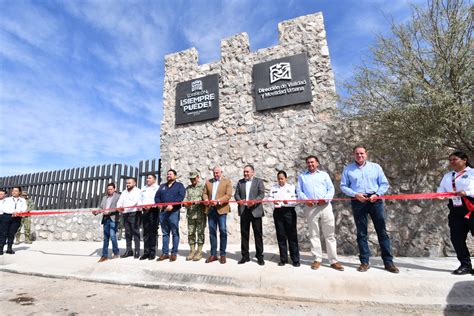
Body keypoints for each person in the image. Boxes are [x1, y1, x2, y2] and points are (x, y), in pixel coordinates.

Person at [340, 145, 399, 273]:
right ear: (353, 155)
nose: (359, 156)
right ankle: (364, 262)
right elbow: (344, 186)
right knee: (361, 233)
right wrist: (355, 194)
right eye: (357, 154)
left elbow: (384, 184)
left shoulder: (376, 167)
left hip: (375, 201)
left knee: (382, 232)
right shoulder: (348, 169)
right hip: (358, 201)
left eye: (362, 153)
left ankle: (388, 263)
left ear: (366, 154)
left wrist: (377, 195)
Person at [297, 156, 343, 271]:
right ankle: (317, 259)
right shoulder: (302, 176)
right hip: (311, 208)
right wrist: (306, 200)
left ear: (317, 163)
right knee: (314, 234)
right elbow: (299, 191)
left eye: (312, 162)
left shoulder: (324, 175)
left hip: (325, 207)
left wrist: (326, 199)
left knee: (330, 235)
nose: (310, 164)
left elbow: (331, 189)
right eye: (308, 162)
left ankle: (333, 260)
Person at [437, 151, 474, 275]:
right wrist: (440, 194)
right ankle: (465, 265)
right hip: (456, 209)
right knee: (456, 237)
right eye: (450, 160)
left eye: (455, 159)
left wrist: (467, 193)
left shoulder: (472, 173)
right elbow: (441, 188)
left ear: (464, 160)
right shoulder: (448, 176)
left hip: (471, 207)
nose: (452, 162)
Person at [235, 164, 265, 265]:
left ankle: (260, 256)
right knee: (244, 234)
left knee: (258, 234)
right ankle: (245, 256)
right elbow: (236, 194)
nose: (245, 173)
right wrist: (240, 200)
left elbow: (261, 194)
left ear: (252, 172)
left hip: (255, 210)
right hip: (244, 211)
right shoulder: (240, 182)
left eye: (247, 172)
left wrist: (254, 201)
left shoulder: (258, 181)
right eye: (244, 172)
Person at [269, 170, 300, 267]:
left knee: (292, 236)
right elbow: (269, 197)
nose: (280, 180)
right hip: (278, 212)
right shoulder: (274, 187)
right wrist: (273, 200)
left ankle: (295, 259)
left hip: (289, 212)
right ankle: (283, 259)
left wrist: (289, 202)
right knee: (281, 236)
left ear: (286, 179)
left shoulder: (291, 187)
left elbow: (296, 200)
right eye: (279, 179)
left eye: (282, 178)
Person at [202, 166, 232, 264]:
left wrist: (218, 201)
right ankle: (213, 254)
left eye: (217, 173)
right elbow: (204, 193)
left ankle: (222, 254)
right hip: (211, 210)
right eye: (214, 173)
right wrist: (205, 199)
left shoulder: (227, 182)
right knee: (212, 232)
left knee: (223, 231)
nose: (216, 174)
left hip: (221, 210)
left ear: (221, 172)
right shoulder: (208, 182)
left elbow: (228, 195)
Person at [155, 169, 185, 262]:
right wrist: (159, 204)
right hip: (163, 212)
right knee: (165, 233)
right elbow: (157, 197)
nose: (168, 176)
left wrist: (172, 205)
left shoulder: (179, 186)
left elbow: (181, 196)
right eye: (168, 174)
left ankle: (174, 253)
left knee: (175, 233)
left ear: (175, 176)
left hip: (174, 212)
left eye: (171, 174)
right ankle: (165, 253)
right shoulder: (162, 186)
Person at [93, 183, 121, 262]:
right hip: (105, 219)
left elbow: (119, 207)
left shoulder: (118, 197)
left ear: (114, 189)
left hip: (113, 218)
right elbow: (101, 208)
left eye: (111, 189)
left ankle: (116, 252)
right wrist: (96, 212)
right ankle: (104, 255)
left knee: (112, 236)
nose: (109, 191)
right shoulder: (104, 198)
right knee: (105, 238)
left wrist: (109, 211)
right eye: (108, 189)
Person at [182, 171, 206, 261]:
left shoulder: (203, 187)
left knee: (200, 233)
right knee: (191, 233)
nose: (192, 180)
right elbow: (184, 199)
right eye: (191, 179)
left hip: (200, 214)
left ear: (198, 177)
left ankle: (199, 252)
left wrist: (199, 201)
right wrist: (185, 203)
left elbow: (206, 197)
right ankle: (192, 251)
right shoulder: (188, 188)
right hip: (191, 214)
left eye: (194, 178)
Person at [117, 177, 142, 259]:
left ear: (134, 183)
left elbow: (135, 202)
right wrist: (119, 207)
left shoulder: (138, 191)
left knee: (135, 232)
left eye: (129, 183)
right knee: (127, 233)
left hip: (134, 213)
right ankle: (129, 250)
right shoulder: (124, 192)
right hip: (125, 214)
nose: (128, 184)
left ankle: (137, 251)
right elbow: (119, 202)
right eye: (127, 183)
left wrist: (126, 207)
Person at [0, 187, 27, 255]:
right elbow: (3, 207)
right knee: (3, 233)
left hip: (17, 218)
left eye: (16, 191)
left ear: (19, 192)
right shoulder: (7, 199)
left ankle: (9, 248)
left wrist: (19, 212)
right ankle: (0, 249)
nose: (14, 192)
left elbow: (24, 208)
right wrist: (12, 212)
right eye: (13, 191)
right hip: (6, 216)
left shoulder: (22, 200)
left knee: (11, 233)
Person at [140, 174, 160, 260]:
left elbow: (158, 199)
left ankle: (152, 252)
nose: (147, 179)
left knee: (152, 232)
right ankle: (146, 252)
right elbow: (140, 199)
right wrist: (142, 206)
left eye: (149, 178)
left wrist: (151, 205)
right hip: (145, 211)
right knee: (146, 232)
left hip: (153, 211)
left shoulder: (157, 188)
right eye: (147, 178)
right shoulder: (143, 188)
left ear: (154, 180)